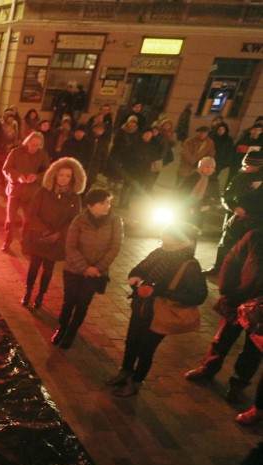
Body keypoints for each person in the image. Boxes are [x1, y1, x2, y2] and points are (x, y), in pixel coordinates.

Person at [106, 223, 208, 397]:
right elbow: (140, 268)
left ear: (183, 242)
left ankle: (135, 382)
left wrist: (165, 293)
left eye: (169, 243)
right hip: (141, 306)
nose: (164, 245)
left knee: (146, 349)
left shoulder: (189, 265)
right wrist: (135, 276)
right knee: (132, 342)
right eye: (163, 241)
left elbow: (199, 295)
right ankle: (125, 372)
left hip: (161, 312)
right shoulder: (160, 253)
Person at [185, 227, 263, 402]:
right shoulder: (257, 235)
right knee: (222, 338)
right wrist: (227, 289)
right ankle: (208, 369)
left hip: (262, 310)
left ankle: (239, 384)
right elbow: (232, 260)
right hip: (238, 298)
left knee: (253, 350)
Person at [53, 189, 123, 349]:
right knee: (69, 300)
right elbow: (71, 246)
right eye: (102, 203)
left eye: (108, 202)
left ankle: (71, 333)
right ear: (90, 206)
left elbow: (115, 247)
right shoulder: (79, 221)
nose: (107, 206)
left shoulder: (115, 221)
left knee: (83, 303)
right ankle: (62, 328)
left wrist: (98, 268)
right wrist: (85, 267)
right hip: (73, 270)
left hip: (97, 273)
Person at [20, 157, 85, 310]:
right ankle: (28, 291)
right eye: (61, 174)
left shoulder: (75, 198)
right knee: (34, 266)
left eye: (68, 176)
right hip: (39, 236)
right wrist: (45, 231)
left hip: (57, 240)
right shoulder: (44, 191)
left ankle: (41, 294)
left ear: (73, 177)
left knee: (48, 269)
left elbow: (74, 220)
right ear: (55, 175)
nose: (64, 179)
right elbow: (32, 213)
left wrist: (58, 234)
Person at [210, 150, 263, 274]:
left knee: (246, 248)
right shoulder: (240, 176)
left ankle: (236, 273)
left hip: (255, 220)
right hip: (235, 218)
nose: (244, 167)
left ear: (258, 166)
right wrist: (235, 208)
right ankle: (218, 268)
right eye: (244, 164)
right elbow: (227, 196)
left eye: (248, 165)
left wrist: (251, 213)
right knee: (225, 244)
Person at [1, 132, 50, 252]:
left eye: (37, 146)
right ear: (27, 142)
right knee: (10, 218)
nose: (34, 148)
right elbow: (6, 169)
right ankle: (7, 242)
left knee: (28, 219)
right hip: (15, 190)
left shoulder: (42, 155)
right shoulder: (16, 152)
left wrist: (37, 177)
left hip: (31, 192)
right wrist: (18, 176)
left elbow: (48, 172)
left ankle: (24, 242)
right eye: (33, 145)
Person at [179, 156, 220, 229]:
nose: (209, 169)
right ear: (201, 167)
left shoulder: (213, 180)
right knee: (182, 225)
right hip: (187, 205)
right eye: (207, 167)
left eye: (212, 167)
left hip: (201, 207)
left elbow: (215, 195)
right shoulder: (193, 176)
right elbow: (183, 190)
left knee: (195, 227)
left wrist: (209, 204)